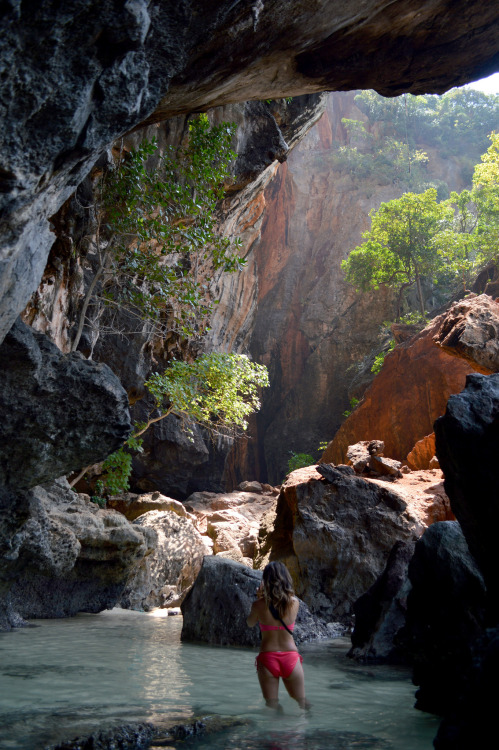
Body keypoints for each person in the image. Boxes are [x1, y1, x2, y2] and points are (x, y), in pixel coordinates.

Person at [246, 561, 309, 711]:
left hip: (268, 658)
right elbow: (282, 602)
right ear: (286, 578)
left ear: (265, 580)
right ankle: (306, 731)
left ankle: (276, 732)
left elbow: (249, 623)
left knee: (272, 705)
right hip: (291, 658)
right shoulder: (295, 603)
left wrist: (260, 597)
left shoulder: (258, 605)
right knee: (303, 703)